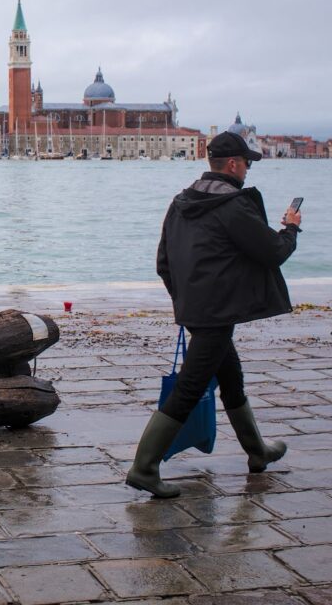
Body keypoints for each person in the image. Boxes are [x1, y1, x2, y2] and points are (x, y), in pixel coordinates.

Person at [126, 130, 302, 498]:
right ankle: (144, 467)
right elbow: (272, 252)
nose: (248, 171)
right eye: (247, 164)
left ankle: (257, 451)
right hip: (216, 312)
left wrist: (186, 300)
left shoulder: (180, 201)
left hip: (195, 308)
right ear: (233, 164)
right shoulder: (233, 206)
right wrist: (291, 228)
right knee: (191, 387)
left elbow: (163, 262)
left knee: (231, 377)